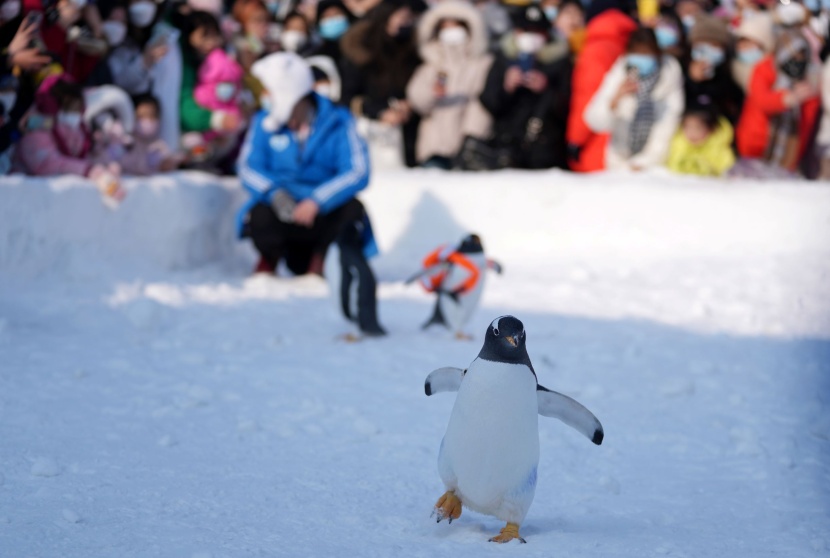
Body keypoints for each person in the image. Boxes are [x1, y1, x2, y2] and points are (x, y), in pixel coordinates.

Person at [236, 52, 372, 280]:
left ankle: (322, 261)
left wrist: (318, 200)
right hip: (282, 209)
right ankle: (269, 258)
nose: (267, 98)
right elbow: (248, 167)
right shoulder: (263, 122)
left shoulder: (339, 121)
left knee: (352, 210)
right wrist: (275, 194)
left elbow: (358, 170)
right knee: (259, 214)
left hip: (323, 212)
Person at [480, 5, 573, 169]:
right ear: (516, 32)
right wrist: (506, 87)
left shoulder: (560, 62)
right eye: (525, 30)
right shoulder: (503, 58)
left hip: (545, 151)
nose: (532, 37)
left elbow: (568, 107)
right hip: (505, 146)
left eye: (537, 32)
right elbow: (488, 101)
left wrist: (546, 89)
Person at [405, 0, 493, 169]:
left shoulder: (482, 64)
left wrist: (472, 136)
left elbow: (483, 103)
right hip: (434, 145)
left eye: (455, 26)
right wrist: (432, 94)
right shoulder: (430, 66)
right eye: (445, 27)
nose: (451, 31)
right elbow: (416, 100)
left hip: (470, 145)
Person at [12, 73, 125, 204]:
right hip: (27, 199)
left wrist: (104, 167)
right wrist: (88, 170)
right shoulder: (36, 125)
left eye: (78, 108)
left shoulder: (78, 128)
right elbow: (46, 164)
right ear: (54, 105)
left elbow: (83, 154)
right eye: (70, 107)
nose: (74, 113)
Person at [583, 26, 684, 171]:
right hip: (618, 160)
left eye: (646, 53)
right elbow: (594, 121)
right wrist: (614, 100)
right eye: (636, 52)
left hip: (654, 163)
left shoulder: (669, 72)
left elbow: (668, 122)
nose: (641, 58)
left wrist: (647, 161)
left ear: (656, 54)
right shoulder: (621, 71)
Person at [340, 0, 425, 167]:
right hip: (372, 135)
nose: (404, 22)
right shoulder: (362, 53)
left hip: (409, 135)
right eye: (399, 17)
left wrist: (411, 104)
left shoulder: (414, 52)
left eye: (408, 18)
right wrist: (380, 112)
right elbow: (347, 98)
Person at [735, 28, 821, 173]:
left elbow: (807, 122)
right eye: (792, 55)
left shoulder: (809, 77)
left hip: (788, 152)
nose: (797, 60)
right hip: (755, 143)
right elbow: (760, 100)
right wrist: (786, 99)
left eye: (801, 56)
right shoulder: (764, 68)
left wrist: (807, 96)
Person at [566, 0, 637, 172]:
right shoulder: (630, 41)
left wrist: (575, 140)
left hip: (597, 145)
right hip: (626, 143)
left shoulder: (596, 49)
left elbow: (587, 97)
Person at [684, 14, 744, 125]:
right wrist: (692, 80)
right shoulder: (682, 69)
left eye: (714, 45)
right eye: (702, 45)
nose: (708, 49)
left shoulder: (730, 73)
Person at [667, 107, 736, 176]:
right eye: (688, 127)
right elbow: (672, 163)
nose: (692, 133)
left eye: (698, 128)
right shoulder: (678, 143)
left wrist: (707, 168)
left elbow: (727, 168)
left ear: (711, 129)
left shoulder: (718, 147)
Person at [730, 11, 774, 92]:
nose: (744, 49)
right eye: (741, 45)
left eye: (749, 45)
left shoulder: (772, 64)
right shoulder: (735, 66)